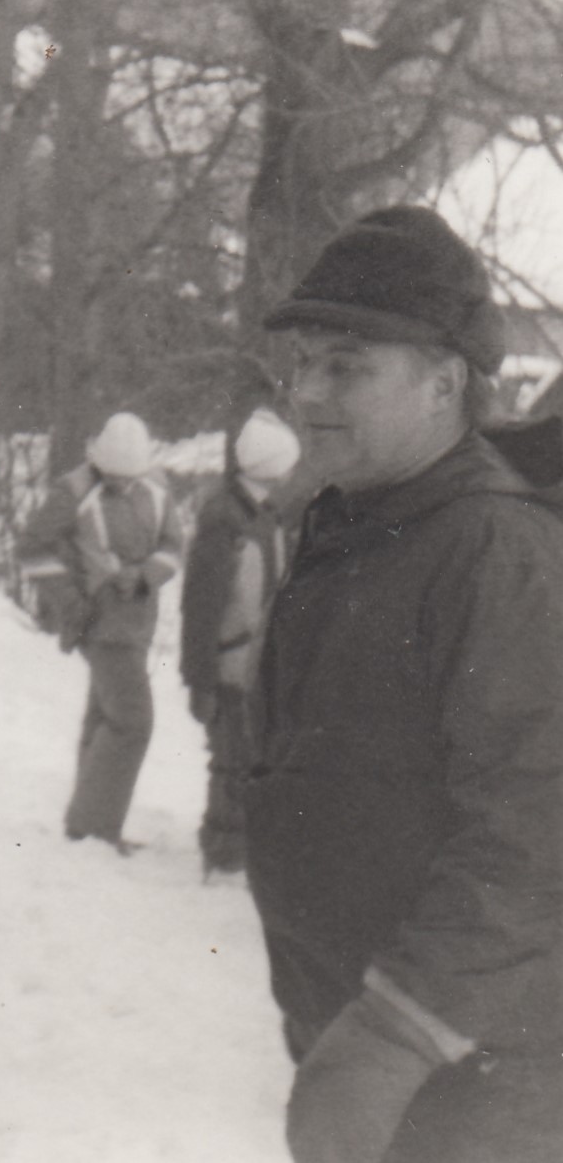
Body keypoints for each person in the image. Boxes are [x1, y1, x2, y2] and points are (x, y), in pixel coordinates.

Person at [249, 204, 563, 1163]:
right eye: (304, 362)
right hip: (370, 1035)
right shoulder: (360, 523)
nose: (307, 391)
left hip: (471, 1074)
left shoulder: (492, 550)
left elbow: (535, 827)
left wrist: (398, 1029)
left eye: (347, 366)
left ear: (443, 383)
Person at [16, 410, 184, 853]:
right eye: (113, 477)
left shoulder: (158, 487)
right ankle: (94, 827)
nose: (121, 485)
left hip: (139, 620)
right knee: (132, 722)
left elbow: (173, 546)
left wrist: (145, 574)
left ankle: (85, 828)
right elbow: (31, 549)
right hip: (99, 622)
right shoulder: (72, 490)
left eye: (130, 477)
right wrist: (72, 600)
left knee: (106, 716)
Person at [176, 406, 300, 878]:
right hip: (229, 662)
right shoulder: (225, 520)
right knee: (231, 758)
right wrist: (199, 679)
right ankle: (224, 850)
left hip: (257, 661)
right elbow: (200, 608)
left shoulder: (263, 514)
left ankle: (243, 845)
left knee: (252, 755)